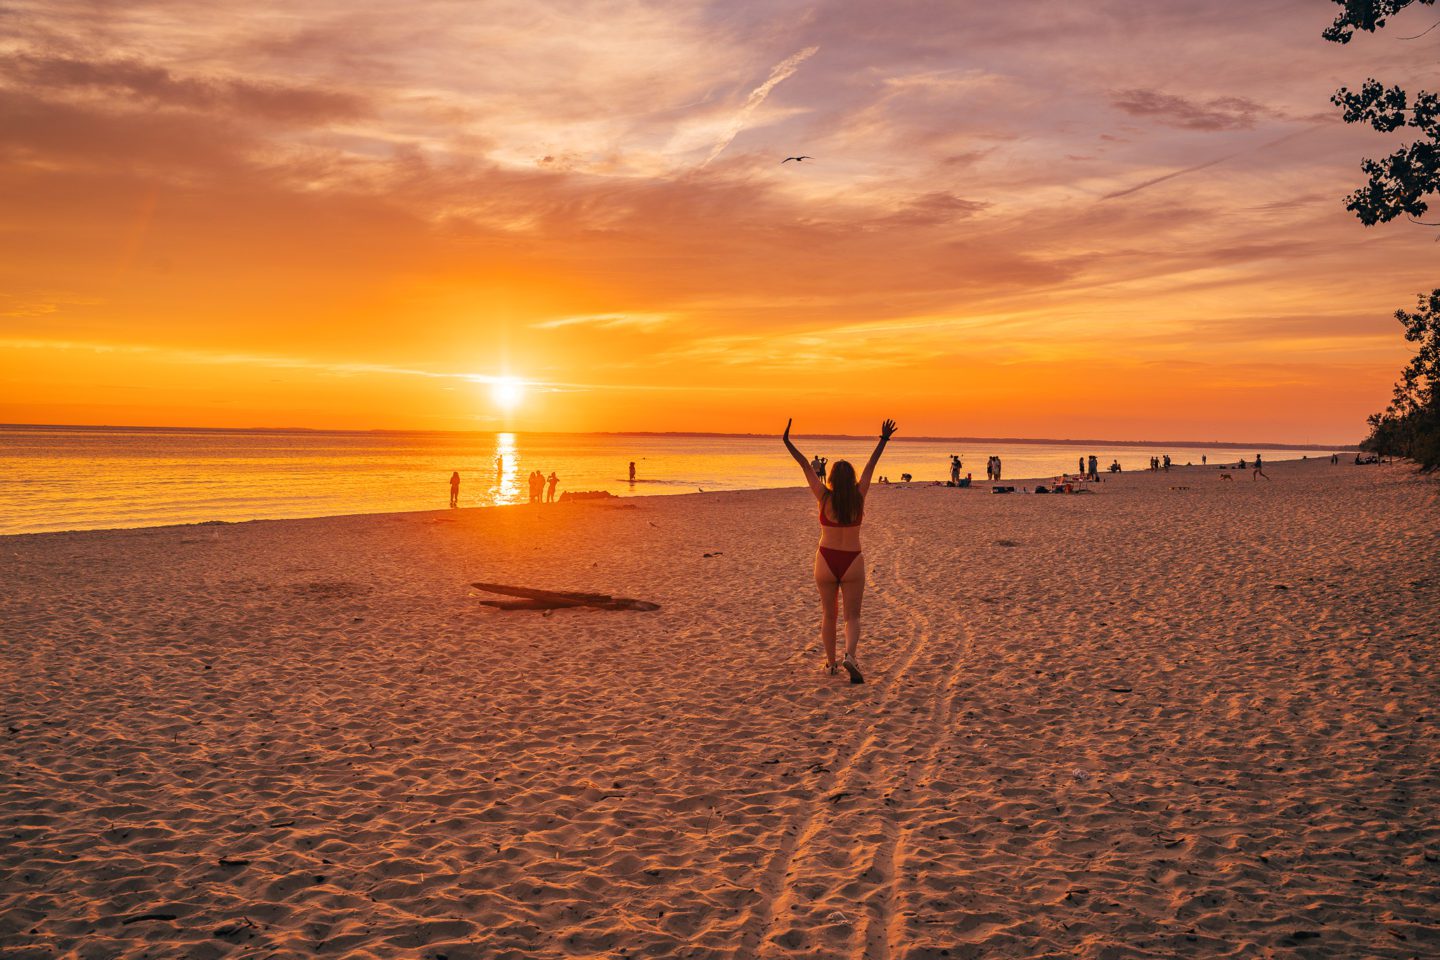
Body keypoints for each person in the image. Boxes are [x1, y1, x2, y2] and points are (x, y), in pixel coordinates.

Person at [782, 417, 896, 684]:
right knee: (852, 616)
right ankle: (851, 656)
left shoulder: (823, 497)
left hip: (826, 559)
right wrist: (883, 439)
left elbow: (803, 465)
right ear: (852, 479)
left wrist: (787, 442)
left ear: (831, 477)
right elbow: (871, 465)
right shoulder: (859, 496)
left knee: (828, 615)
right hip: (852, 560)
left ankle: (831, 664)